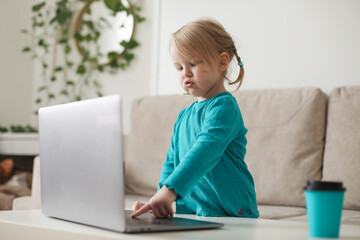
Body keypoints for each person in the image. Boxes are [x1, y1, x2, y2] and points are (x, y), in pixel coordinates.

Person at [131, 18, 259, 218]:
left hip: (232, 211)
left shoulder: (224, 107)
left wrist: (170, 190)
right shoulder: (183, 116)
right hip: (194, 213)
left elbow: (205, 150)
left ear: (222, 62)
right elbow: (172, 163)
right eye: (179, 68)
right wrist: (158, 199)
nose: (185, 73)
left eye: (192, 63)